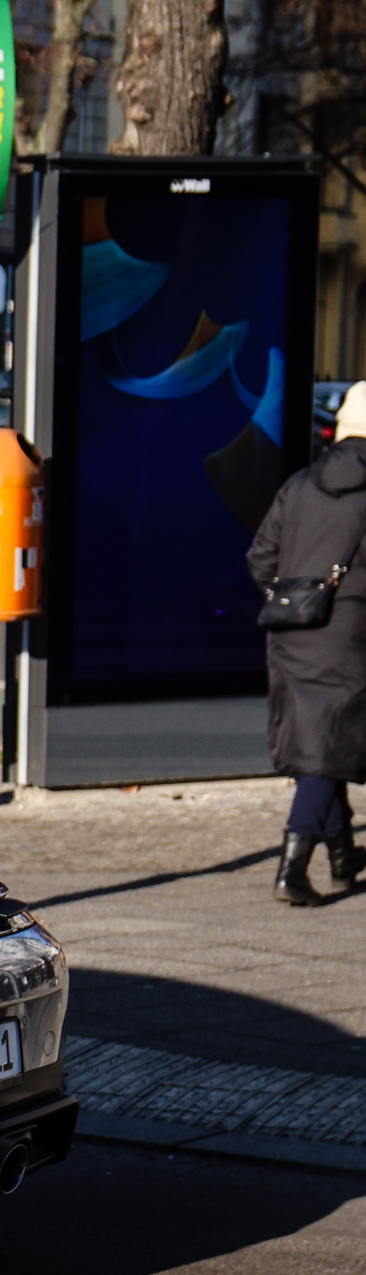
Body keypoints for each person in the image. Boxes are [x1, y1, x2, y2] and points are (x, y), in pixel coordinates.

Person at [248, 379, 366, 904]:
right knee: (326, 749)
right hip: (352, 635)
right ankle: (291, 870)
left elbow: (261, 559)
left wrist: (292, 594)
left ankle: (343, 857)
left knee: (322, 739)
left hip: (292, 632)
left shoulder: (299, 484)